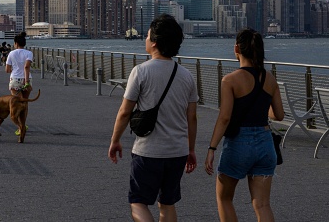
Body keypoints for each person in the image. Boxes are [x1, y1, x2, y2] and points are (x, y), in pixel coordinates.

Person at [108, 14, 198, 222]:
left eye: (147, 36)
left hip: (148, 151)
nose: (145, 40)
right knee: (167, 204)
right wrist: (191, 149)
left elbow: (124, 112)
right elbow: (192, 118)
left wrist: (115, 141)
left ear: (155, 42)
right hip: (177, 152)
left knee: (138, 202)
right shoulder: (186, 75)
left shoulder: (140, 72)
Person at [205, 28, 284, 222]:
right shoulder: (269, 78)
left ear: (236, 49)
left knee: (224, 198)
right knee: (262, 204)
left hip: (239, 144)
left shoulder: (230, 80)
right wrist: (260, 106)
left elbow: (224, 118)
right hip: (265, 144)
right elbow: (279, 115)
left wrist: (211, 147)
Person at [5, 32, 33, 136]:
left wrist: (13, 69)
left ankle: (20, 127)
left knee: (16, 104)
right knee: (24, 104)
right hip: (27, 79)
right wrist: (26, 81)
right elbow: (27, 67)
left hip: (15, 79)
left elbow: (7, 70)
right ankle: (23, 125)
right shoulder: (29, 53)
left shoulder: (11, 53)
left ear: (16, 43)